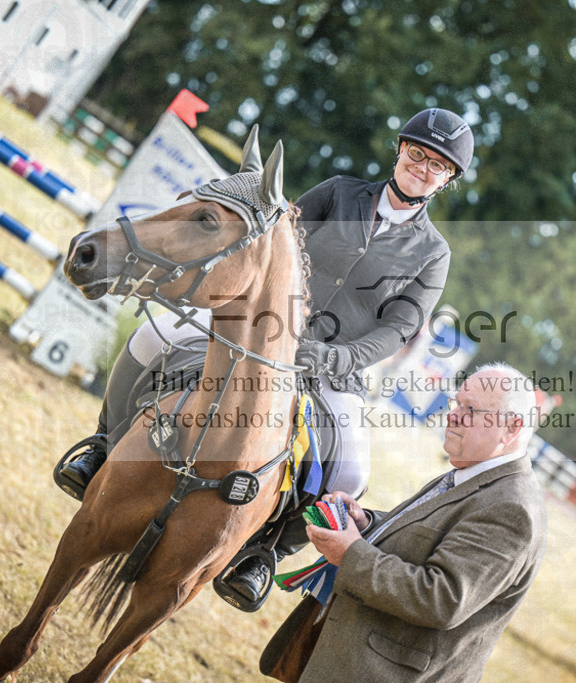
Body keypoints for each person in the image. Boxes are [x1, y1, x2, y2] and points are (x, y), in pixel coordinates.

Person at [55, 108, 475, 603]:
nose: (422, 167)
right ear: (400, 150)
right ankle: (103, 447)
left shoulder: (433, 252)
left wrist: (332, 359)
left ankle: (266, 552)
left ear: (447, 180)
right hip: (255, 327)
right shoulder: (339, 192)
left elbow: (397, 329)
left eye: (437, 166)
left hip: (332, 370)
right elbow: (275, 237)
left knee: (351, 471)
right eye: (417, 153)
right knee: (149, 340)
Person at [261, 362, 547, 682]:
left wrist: (350, 553)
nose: (452, 414)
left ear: (512, 428)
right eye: (457, 402)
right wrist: (366, 523)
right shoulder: (478, 472)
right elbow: (427, 539)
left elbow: (440, 598)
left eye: (470, 408)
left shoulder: (511, 509)